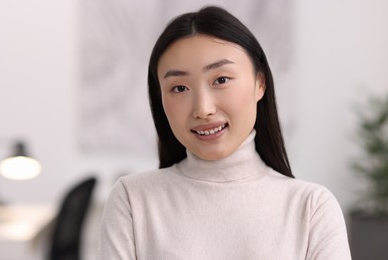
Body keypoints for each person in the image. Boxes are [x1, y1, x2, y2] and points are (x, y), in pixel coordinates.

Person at [97, 6, 351, 260]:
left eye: (221, 80)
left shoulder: (310, 208)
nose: (203, 109)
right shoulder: (133, 200)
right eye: (180, 88)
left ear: (259, 83)